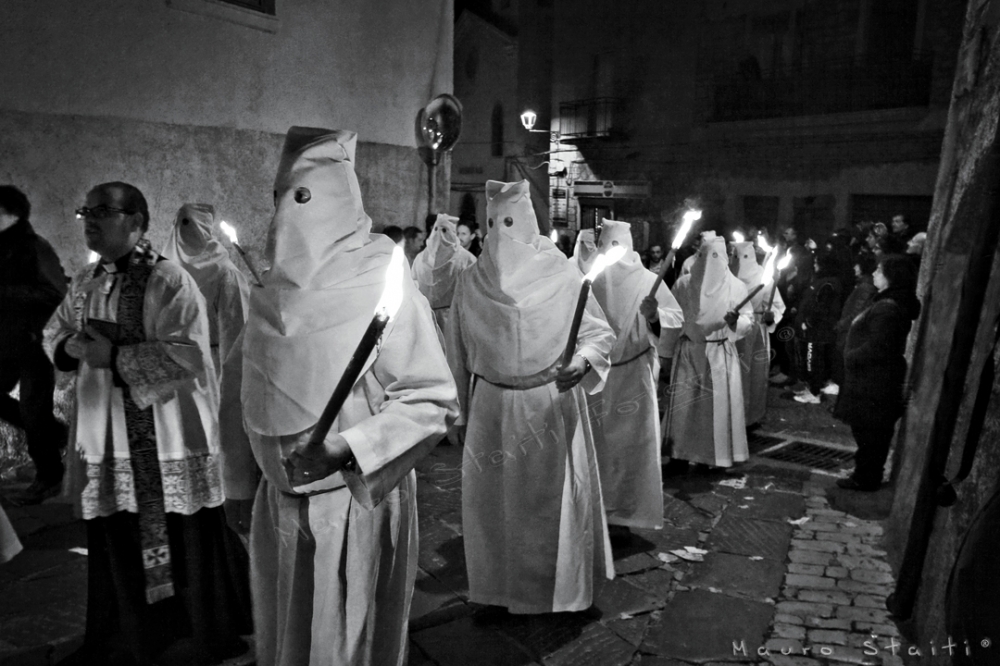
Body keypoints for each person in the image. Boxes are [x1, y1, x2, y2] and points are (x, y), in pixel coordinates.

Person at [223, 127, 459, 666]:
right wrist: (238, 483)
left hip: (353, 502)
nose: (290, 213)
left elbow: (430, 398)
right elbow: (237, 393)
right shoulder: (267, 290)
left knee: (348, 640)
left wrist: (347, 448)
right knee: (288, 637)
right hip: (276, 505)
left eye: (305, 197)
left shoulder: (382, 283)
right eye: (283, 197)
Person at [45, 181, 250, 665]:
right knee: (115, 534)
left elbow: (187, 354)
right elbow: (56, 329)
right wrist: (68, 347)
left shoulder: (169, 281)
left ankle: (191, 634)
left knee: (182, 536)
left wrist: (113, 356)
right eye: (85, 211)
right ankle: (125, 635)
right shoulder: (85, 280)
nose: (90, 220)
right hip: (106, 435)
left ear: (137, 222)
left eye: (103, 211)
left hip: (164, 436)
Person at [446, 179, 615, 614]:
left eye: (509, 222)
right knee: (492, 508)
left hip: (549, 403)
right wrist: (457, 414)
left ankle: (559, 592)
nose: (501, 235)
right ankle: (497, 590)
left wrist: (581, 362)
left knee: (550, 504)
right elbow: (456, 351)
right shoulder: (470, 280)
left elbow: (596, 332)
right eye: (492, 224)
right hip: (491, 408)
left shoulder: (562, 273)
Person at [589, 219, 681, 534]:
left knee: (630, 449)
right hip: (594, 379)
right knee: (597, 448)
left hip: (633, 376)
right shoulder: (587, 280)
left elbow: (674, 319)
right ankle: (592, 509)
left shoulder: (647, 281)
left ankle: (626, 514)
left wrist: (654, 315)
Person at [0, 185, 69, 505]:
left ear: (10, 214)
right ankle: (57, 436)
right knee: (29, 413)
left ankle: (49, 476)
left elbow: (55, 294)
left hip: (34, 341)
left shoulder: (34, 247)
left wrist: (6, 293)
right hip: (6, 341)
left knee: (34, 409)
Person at [663, 232, 753, 471]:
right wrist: (666, 352)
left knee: (712, 410)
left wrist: (735, 322)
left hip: (718, 354)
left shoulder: (737, 287)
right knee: (684, 407)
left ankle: (712, 457)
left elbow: (748, 320)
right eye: (705, 256)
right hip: (689, 352)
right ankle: (678, 454)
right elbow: (673, 317)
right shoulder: (684, 284)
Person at [834, 255, 920, 491]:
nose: (874, 274)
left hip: (874, 381)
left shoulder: (888, 308)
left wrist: (851, 357)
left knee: (871, 431)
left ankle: (866, 478)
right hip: (872, 379)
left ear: (893, 277)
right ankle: (865, 473)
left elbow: (879, 346)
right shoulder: (886, 301)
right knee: (869, 430)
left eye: (879, 271)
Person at [160, 203, 249, 374]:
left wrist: (230, 385)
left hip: (208, 370)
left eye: (188, 223)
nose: (182, 230)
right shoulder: (164, 272)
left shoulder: (225, 274)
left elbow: (235, 336)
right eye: (179, 222)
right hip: (168, 369)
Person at [731, 240, 785, 427]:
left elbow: (777, 305)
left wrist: (770, 318)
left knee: (753, 375)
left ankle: (751, 417)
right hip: (730, 331)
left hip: (755, 332)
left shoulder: (764, 277)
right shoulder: (725, 276)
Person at [791, 249, 845, 404]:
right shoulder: (824, 281)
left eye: (816, 263)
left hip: (817, 332)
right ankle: (812, 388)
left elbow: (822, 307)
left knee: (813, 361)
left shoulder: (828, 283)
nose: (814, 265)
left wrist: (807, 323)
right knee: (814, 361)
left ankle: (814, 393)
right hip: (818, 331)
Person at [411, 213, 477, 334]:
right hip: (447, 316)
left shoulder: (421, 258)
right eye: (438, 230)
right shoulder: (465, 258)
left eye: (444, 230)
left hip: (430, 316)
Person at [832, 252, 878, 390]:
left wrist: (841, 324)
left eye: (857, 265)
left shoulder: (866, 287)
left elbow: (857, 312)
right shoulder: (863, 284)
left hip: (849, 330)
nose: (854, 267)